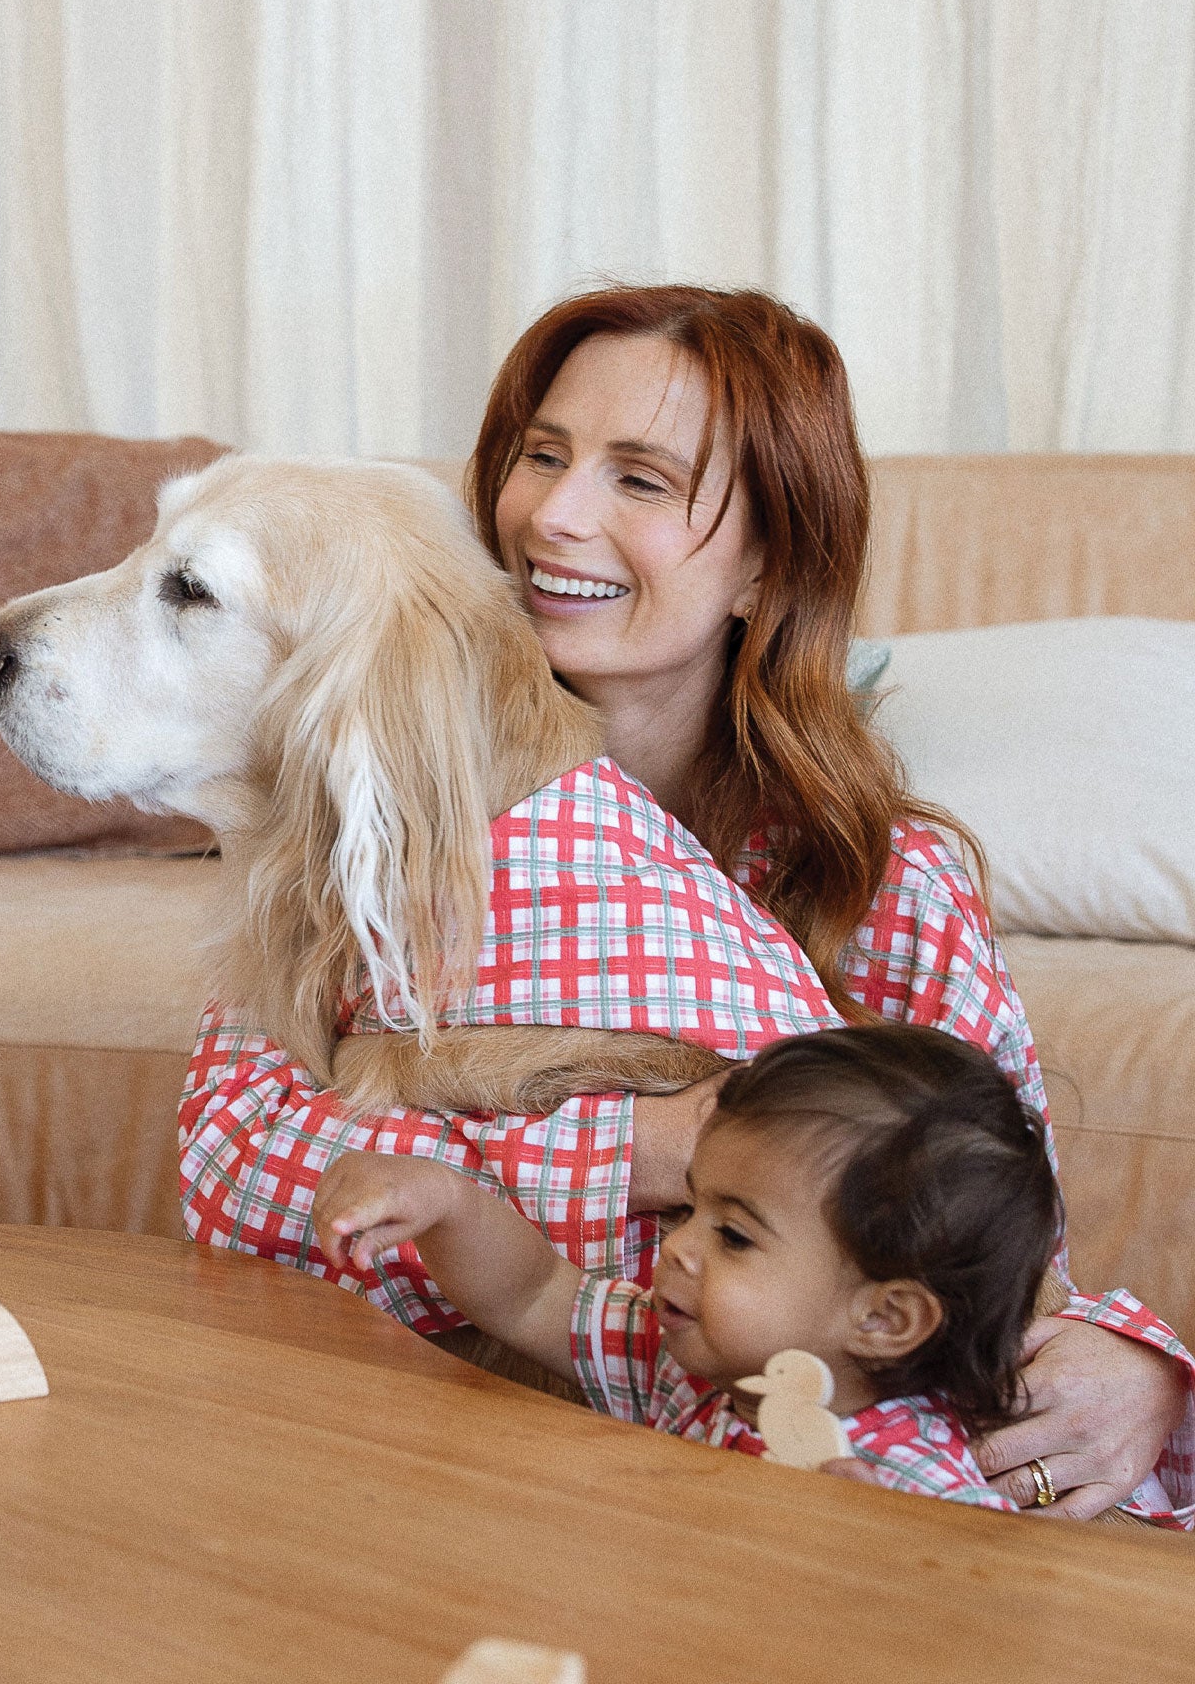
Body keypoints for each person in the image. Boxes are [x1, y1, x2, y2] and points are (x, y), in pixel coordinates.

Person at [180, 284, 1194, 1524]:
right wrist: (644, 1150)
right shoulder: (371, 821)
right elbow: (237, 1171)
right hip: (425, 1477)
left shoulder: (881, 882)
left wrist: (1142, 1367)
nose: (552, 515)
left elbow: (980, 1244)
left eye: (640, 480)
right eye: (540, 456)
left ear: (766, 564)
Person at [312, 1024, 1167, 1514]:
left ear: (883, 1318)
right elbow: (537, 1291)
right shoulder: (696, 1371)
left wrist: (885, 1569)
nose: (679, 1246)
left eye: (737, 1237)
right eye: (692, 1208)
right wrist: (444, 1201)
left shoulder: (922, 1492)